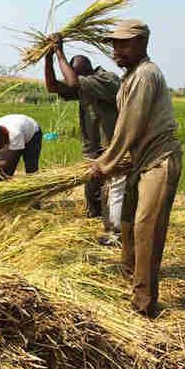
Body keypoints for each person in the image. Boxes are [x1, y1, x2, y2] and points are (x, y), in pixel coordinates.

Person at [87, 20, 183, 317]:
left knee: (146, 229)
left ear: (143, 43)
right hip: (139, 162)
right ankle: (130, 280)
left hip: (159, 161)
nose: (116, 49)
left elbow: (129, 126)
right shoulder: (129, 76)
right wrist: (119, 161)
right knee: (126, 226)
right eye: (114, 43)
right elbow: (127, 129)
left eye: (124, 43)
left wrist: (105, 163)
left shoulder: (145, 75)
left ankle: (144, 304)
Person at [45, 35, 123, 228]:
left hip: (111, 146)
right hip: (93, 147)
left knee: (112, 189)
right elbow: (53, 86)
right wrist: (48, 58)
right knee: (92, 188)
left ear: (85, 71)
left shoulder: (106, 79)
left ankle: (113, 227)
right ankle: (94, 220)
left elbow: (73, 83)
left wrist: (59, 52)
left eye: (73, 73)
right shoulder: (83, 83)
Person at [0, 114, 42, 178]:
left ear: (5, 133)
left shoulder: (15, 134)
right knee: (5, 172)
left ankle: (33, 183)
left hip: (33, 134)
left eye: (4, 143)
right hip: (16, 129)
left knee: (31, 167)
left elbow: (8, 161)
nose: (3, 147)